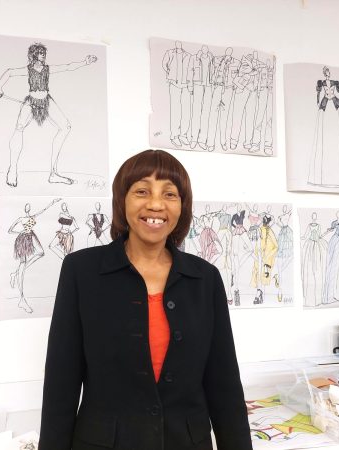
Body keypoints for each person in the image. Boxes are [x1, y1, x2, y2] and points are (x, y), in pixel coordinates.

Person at [39, 149, 251, 450]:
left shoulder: (205, 278)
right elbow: (61, 382)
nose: (155, 204)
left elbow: (224, 385)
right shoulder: (81, 271)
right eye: (141, 191)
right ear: (121, 200)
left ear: (182, 206)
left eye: (170, 194)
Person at [0, 43, 97, 187]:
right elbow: (9, 72)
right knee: (19, 127)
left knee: (65, 127)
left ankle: (53, 174)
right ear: (34, 55)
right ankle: (12, 170)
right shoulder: (28, 70)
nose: (43, 55)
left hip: (46, 101)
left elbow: (67, 67)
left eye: (44, 52)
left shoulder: (48, 69)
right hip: (31, 102)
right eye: (40, 52)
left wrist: (85, 62)